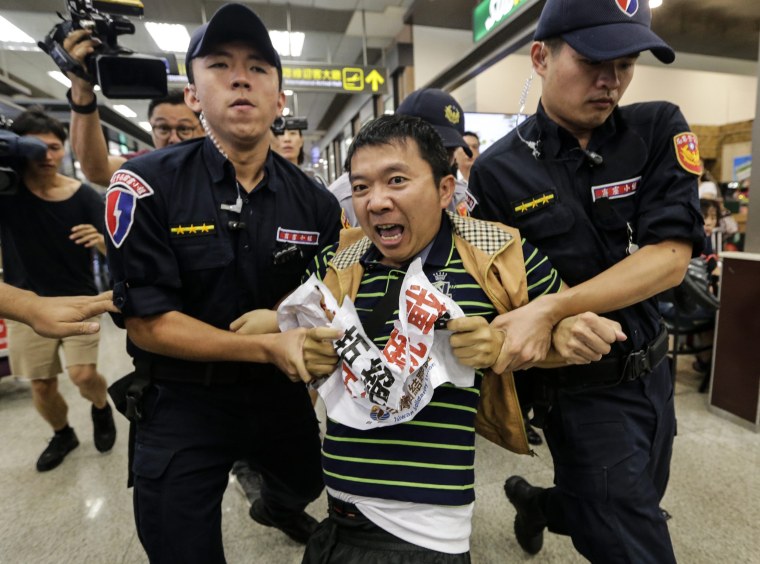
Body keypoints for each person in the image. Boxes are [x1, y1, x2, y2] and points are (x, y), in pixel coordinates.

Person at [250, 114, 624, 562]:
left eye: (396, 180)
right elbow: (270, 325)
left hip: (430, 534)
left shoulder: (497, 252)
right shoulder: (341, 258)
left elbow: (567, 329)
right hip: (338, 518)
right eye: (362, 187)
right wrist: (289, 342)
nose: (376, 202)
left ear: (446, 189)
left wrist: (506, 346)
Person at [468, 0, 705, 561]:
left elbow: (669, 256)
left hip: (653, 374)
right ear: (540, 57)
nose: (611, 81)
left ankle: (540, 506)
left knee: (630, 499)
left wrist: (553, 308)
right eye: (594, 60)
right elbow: (489, 295)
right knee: (633, 537)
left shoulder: (657, 129)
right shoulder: (498, 171)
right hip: (578, 391)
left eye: (625, 63)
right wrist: (547, 330)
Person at [104, 4, 342, 562]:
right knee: (179, 546)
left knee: (307, 481)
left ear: (279, 100)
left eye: (259, 67)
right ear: (193, 94)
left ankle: (274, 507)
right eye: (220, 65)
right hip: (183, 397)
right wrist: (264, 344)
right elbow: (149, 323)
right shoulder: (144, 185)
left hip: (277, 393)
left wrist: (285, 317)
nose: (241, 77)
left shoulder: (314, 201)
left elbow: (330, 282)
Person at [1, 108, 117, 472]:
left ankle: (101, 407)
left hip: (79, 298)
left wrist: (100, 240)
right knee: (42, 386)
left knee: (83, 376)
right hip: (24, 303)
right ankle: (62, 432)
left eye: (53, 148)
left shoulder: (83, 195)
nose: (46, 157)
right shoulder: (7, 192)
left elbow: (118, 248)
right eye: (36, 148)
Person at [62, 28, 204, 185]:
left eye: (184, 129)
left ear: (203, 129)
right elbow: (97, 171)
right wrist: (81, 90)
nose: (173, 139)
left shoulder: (219, 164)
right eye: (163, 129)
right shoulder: (144, 169)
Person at [327, 88, 476, 227]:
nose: (438, 160)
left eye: (447, 153)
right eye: (427, 149)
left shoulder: (460, 197)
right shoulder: (343, 200)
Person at [0, 285, 116, 338]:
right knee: (41, 383)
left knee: (83, 375)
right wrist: (30, 307)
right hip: (23, 293)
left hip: (78, 292)